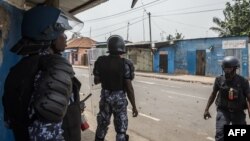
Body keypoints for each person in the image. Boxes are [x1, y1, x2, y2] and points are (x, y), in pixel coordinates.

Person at [2, 5, 81, 141]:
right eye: (61, 32)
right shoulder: (54, 67)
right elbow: (47, 135)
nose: (65, 37)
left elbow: (9, 122)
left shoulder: (17, 69)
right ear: (49, 35)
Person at [93, 35, 138, 141]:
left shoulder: (100, 61)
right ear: (122, 48)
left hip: (105, 98)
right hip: (120, 101)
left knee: (102, 126)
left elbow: (96, 81)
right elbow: (129, 88)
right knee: (121, 130)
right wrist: (134, 107)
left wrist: (106, 75)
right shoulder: (126, 64)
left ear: (109, 48)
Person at [203, 56, 250, 141]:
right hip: (223, 111)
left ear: (235, 69)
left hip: (238, 112)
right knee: (220, 135)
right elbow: (213, 94)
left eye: (229, 69)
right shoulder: (219, 80)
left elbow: (249, 99)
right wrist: (206, 109)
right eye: (225, 69)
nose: (227, 71)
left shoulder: (243, 82)